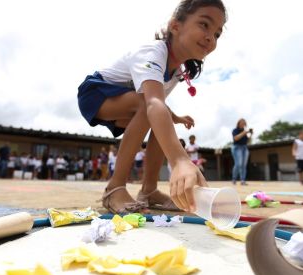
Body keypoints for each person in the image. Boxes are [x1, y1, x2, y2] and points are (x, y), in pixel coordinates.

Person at [77, 0, 226, 213]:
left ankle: (149, 190)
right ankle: (114, 188)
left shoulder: (176, 72)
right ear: (175, 26)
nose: (211, 36)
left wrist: (175, 117)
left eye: (217, 33)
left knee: (160, 120)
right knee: (151, 110)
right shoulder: (152, 52)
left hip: (130, 100)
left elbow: (157, 103)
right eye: (204, 25)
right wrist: (180, 160)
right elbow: (152, 102)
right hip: (95, 93)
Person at [231, 118, 252, 185]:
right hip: (237, 148)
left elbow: (248, 141)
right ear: (239, 123)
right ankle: (234, 178)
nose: (243, 124)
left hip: (244, 148)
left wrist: (251, 134)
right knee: (238, 164)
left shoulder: (245, 132)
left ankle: (243, 180)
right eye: (242, 122)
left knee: (244, 165)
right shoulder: (235, 130)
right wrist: (244, 132)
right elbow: (236, 138)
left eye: (244, 123)